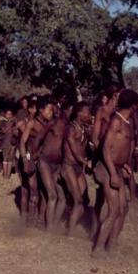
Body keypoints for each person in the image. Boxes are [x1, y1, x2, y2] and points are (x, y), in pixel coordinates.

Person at [92, 89, 138, 257]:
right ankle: (98, 249)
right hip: (107, 167)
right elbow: (105, 148)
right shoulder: (116, 121)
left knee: (123, 209)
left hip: (118, 168)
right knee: (113, 211)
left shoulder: (128, 122)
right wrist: (112, 172)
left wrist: (124, 164)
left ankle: (111, 246)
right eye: (137, 104)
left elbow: (124, 146)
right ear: (132, 105)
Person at [19, 97, 54, 224]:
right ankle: (29, 221)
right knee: (33, 192)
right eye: (49, 110)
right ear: (41, 110)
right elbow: (22, 142)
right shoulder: (32, 123)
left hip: (45, 161)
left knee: (45, 191)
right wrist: (25, 160)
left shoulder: (51, 124)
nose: (52, 113)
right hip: (31, 158)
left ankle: (40, 219)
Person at [61, 101, 92, 236]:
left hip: (78, 168)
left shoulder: (84, 128)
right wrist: (84, 161)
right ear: (79, 114)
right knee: (78, 201)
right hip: (69, 167)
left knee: (84, 200)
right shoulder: (71, 128)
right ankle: (70, 233)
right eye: (87, 112)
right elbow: (73, 147)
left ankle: (70, 222)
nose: (89, 114)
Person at [38, 102, 69, 231]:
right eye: (53, 109)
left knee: (62, 198)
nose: (55, 111)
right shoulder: (51, 123)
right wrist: (31, 155)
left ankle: (54, 226)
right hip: (45, 162)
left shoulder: (68, 127)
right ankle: (48, 229)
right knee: (52, 196)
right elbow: (38, 139)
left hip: (58, 165)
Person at [0, 108, 17, 179]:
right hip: (5, 142)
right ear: (5, 115)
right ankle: (5, 175)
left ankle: (8, 175)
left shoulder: (14, 123)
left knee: (10, 158)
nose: (9, 116)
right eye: (7, 114)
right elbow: (3, 131)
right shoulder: (2, 122)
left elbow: (16, 132)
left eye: (10, 114)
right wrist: (9, 124)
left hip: (12, 142)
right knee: (5, 158)